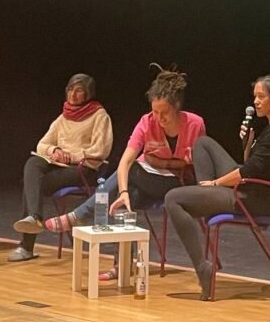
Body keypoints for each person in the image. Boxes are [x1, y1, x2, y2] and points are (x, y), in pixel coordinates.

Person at [44, 64, 205, 280]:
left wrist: (161, 162)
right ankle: (122, 265)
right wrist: (124, 193)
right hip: (145, 180)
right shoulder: (146, 122)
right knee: (119, 203)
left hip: (177, 186)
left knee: (134, 171)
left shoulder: (195, 124)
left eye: (164, 112)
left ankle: (79, 215)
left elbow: (193, 165)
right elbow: (125, 161)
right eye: (155, 111)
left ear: (177, 108)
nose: (159, 118)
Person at [164, 72, 270, 298]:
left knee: (172, 199)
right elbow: (251, 162)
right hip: (249, 188)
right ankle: (205, 200)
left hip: (253, 199)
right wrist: (247, 143)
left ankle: (203, 268)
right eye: (255, 96)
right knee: (203, 144)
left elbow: (248, 171)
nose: (255, 102)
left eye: (261, 97)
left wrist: (216, 183)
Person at [8, 73, 113, 261]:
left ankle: (26, 245)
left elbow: (101, 150)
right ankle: (34, 218)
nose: (73, 94)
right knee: (33, 164)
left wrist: (72, 156)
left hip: (84, 170)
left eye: (79, 90)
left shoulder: (99, 115)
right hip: (60, 166)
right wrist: (54, 150)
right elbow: (41, 145)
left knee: (31, 185)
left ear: (88, 93)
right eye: (70, 89)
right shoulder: (64, 117)